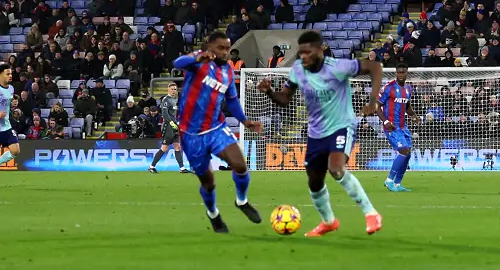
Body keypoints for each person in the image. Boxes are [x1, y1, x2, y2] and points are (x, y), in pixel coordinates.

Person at [258, 30, 384, 237]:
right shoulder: (298, 70)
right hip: (316, 133)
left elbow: (375, 67)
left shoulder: (338, 67)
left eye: (308, 52)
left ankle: (371, 213)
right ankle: (329, 222)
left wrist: (372, 101)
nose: (304, 56)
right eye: (301, 53)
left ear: (320, 49)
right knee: (314, 181)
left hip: (341, 126)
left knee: (335, 168)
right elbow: (285, 99)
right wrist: (270, 92)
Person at [174, 31, 264, 233]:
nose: (226, 52)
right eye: (221, 48)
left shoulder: (228, 72)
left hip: (216, 128)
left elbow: (231, 100)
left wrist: (245, 121)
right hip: (191, 135)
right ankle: (213, 214)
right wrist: (197, 57)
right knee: (208, 182)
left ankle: (242, 201)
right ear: (210, 47)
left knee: (240, 165)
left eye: (228, 49)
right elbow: (177, 63)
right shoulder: (198, 61)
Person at [378, 63, 414, 192]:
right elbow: (377, 106)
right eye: (399, 72)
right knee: (403, 151)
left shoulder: (409, 89)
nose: (401, 74)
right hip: (391, 126)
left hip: (403, 126)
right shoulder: (389, 88)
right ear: (396, 73)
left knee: (408, 154)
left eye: (403, 72)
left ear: (406, 73)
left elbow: (407, 106)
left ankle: (398, 184)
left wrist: (414, 116)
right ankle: (389, 180)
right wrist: (385, 121)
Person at [148, 80, 188, 174]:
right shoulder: (165, 100)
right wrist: (171, 123)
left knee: (177, 146)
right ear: (168, 90)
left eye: (175, 89)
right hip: (168, 126)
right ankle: (151, 166)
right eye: (172, 89)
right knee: (164, 147)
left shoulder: (175, 99)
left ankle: (182, 168)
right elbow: (165, 114)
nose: (174, 91)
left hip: (175, 125)